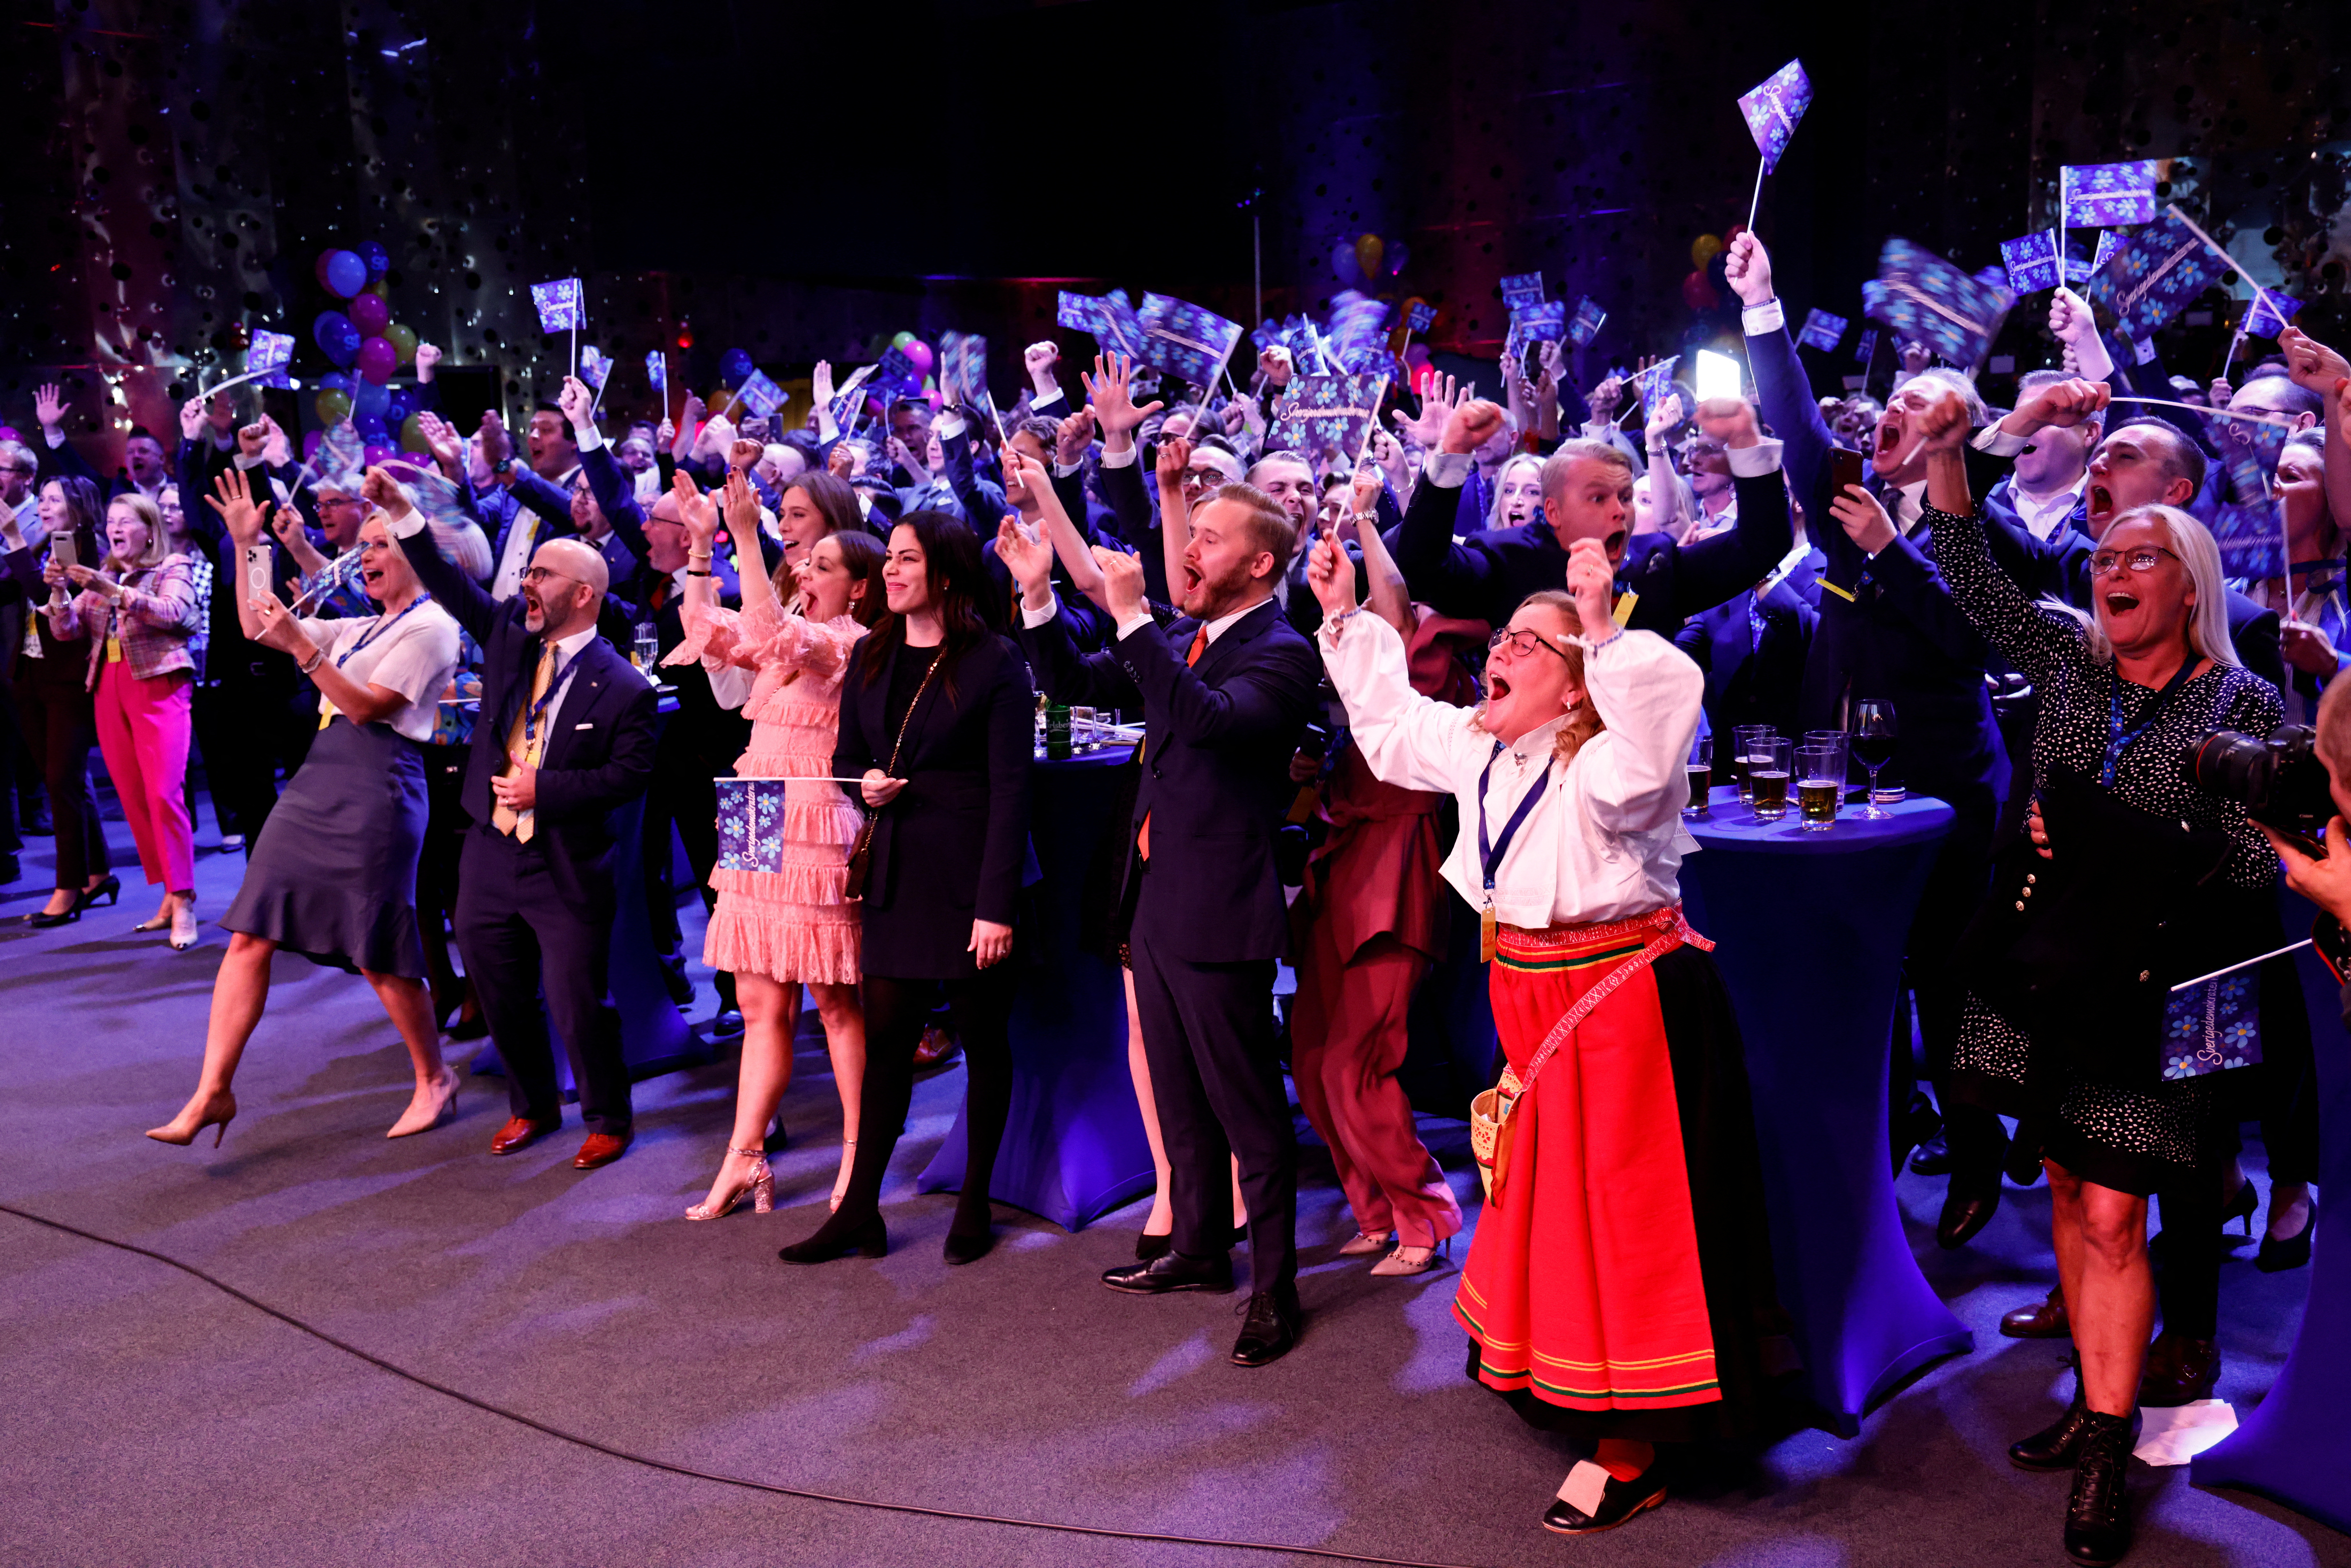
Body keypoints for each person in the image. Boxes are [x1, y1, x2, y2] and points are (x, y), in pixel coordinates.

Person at [1306, 527, 1785, 1536]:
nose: (1503, 651)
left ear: (1579, 684)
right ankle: (1569, 1373)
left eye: (1532, 643)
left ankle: (1637, 1438)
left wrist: (1604, 623)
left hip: (1622, 1004)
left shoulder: (1611, 764)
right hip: (1528, 992)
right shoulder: (1483, 745)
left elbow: (1651, 739)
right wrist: (1345, 616)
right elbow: (1391, 728)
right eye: (1505, 638)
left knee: (1623, 1216)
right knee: (1547, 1204)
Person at [1911, 381, 2285, 1567]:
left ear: (2186, 584)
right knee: (2072, 1193)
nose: (2111, 568)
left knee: (2121, 1208)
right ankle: (2089, 1389)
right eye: (2103, 555)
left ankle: (2109, 1446)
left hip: (2165, 996)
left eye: (2139, 556)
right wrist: (1969, 442)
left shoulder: (2243, 702)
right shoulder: (2069, 669)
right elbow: (1967, 571)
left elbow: (2240, 867)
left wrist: (2089, 833)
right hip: (2047, 979)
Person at [1008, 478, 1322, 1368]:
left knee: (1249, 1112)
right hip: (1152, 898)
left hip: (1221, 910)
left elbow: (1210, 722)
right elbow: (1073, 682)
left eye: (1209, 540)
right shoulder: (1188, 636)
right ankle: (1196, 1248)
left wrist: (1138, 619)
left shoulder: (1283, 651)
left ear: (1259, 564)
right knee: (1178, 1099)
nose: (1189, 550)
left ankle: (1275, 1287)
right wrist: (1038, 593)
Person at [146, 469, 463, 1147]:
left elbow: (362, 705)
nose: (367, 555)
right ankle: (214, 1090)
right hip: (319, 782)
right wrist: (247, 546)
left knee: (377, 949)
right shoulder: (365, 622)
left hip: (380, 789)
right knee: (249, 931)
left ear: (415, 551)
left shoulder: (433, 628)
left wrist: (303, 644)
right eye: (365, 546)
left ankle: (434, 1077)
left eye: (382, 544)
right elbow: (260, 625)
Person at [779, 511, 1033, 1266]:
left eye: (907, 560)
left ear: (945, 575)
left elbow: (1013, 792)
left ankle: (976, 1200)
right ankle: (860, 1209)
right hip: (898, 870)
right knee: (888, 1044)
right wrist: (866, 784)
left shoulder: (996, 660)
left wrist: (997, 905)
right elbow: (846, 758)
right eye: (888, 558)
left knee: (985, 1043)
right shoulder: (872, 655)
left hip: (969, 877)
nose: (890, 571)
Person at [388, 467, 661, 1171]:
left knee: (578, 1000)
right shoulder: (511, 630)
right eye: (529, 571)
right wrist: (408, 520)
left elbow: (630, 777)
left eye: (541, 573)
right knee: (499, 986)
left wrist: (550, 788)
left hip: (565, 858)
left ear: (583, 595)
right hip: (487, 848)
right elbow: (453, 587)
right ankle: (532, 1105)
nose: (527, 582)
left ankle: (608, 1117)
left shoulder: (624, 684)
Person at [664, 470, 884, 1220]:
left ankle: (859, 1161)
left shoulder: (848, 639)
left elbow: (766, 629)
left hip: (812, 812)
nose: (794, 546)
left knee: (834, 999)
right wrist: (704, 542)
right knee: (758, 1001)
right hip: (754, 804)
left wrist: (745, 534)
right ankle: (744, 1158)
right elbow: (714, 629)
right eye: (782, 525)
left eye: (803, 530)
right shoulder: (793, 616)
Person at [1287, 466, 1475, 1276]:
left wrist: (1364, 519)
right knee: (1310, 1054)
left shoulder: (1424, 659)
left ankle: (1426, 1213)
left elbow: (1393, 602)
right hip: (1341, 849)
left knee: (1355, 1056)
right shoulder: (1347, 641)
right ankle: (1376, 1208)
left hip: (1397, 860)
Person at [60, 492, 202, 947]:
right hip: (109, 688)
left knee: (164, 794)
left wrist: (116, 592)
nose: (115, 529)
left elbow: (176, 615)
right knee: (136, 798)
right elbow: (66, 631)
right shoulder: (102, 578)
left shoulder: (172, 566)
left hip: (160, 685)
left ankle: (184, 900)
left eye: (126, 522)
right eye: (111, 522)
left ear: (148, 530)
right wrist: (60, 594)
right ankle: (167, 892)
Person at [3, 477, 116, 925]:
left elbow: (45, 599)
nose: (45, 507)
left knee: (60, 784)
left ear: (78, 508)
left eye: (54, 500)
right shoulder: (44, 545)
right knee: (66, 780)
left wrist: (11, 536)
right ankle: (98, 872)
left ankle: (68, 888)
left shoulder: (81, 546)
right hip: (31, 674)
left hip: (66, 680)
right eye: (44, 500)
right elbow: (14, 590)